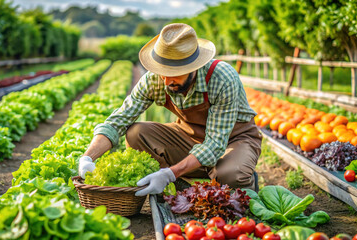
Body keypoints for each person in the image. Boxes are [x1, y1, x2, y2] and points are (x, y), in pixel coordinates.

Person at [78, 23, 262, 196]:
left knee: (231, 175)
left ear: (193, 67)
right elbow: (119, 120)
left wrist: (169, 173)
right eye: (162, 72)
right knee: (136, 133)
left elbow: (215, 144)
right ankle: (180, 182)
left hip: (233, 140)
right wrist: (87, 157)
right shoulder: (154, 80)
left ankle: (235, 172)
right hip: (188, 137)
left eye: (173, 74)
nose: (166, 81)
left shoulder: (221, 78)